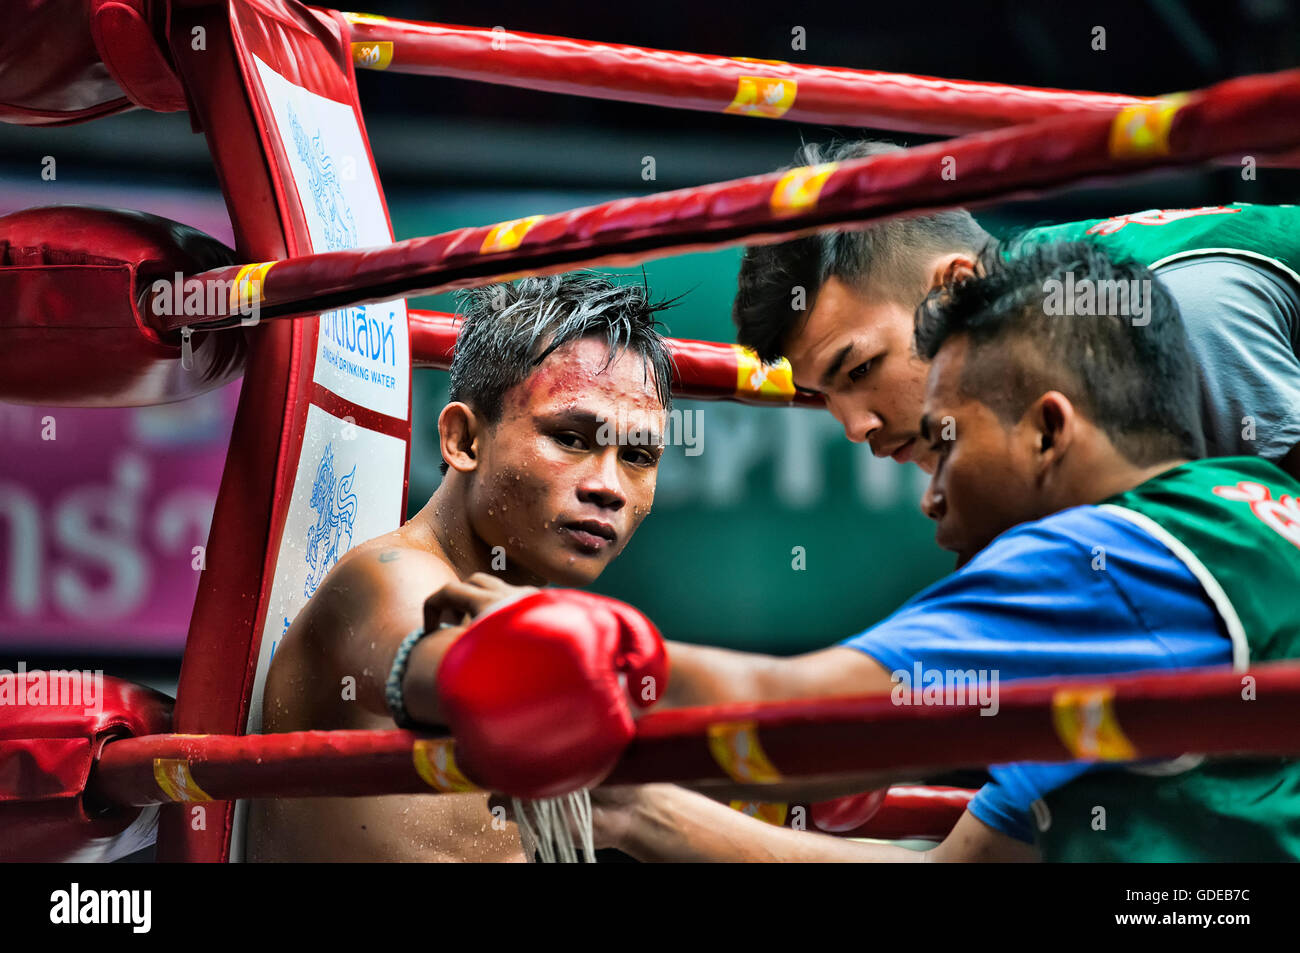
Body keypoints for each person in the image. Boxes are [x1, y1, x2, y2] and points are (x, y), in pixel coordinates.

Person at [421, 242, 1300, 861]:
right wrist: (642, 811)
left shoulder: (1110, 559)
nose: (930, 490)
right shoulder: (1252, 512)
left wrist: (576, 644)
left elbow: (802, 720)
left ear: (1048, 430)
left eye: (946, 443)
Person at [247, 272, 675, 861]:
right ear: (464, 440)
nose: (608, 487)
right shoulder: (384, 578)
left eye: (637, 456)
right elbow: (450, 667)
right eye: (572, 439)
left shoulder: (535, 623)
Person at [732, 140, 1300, 480]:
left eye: (859, 370)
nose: (856, 428)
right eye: (824, 396)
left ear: (953, 286)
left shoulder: (1176, 312)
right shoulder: (1042, 333)